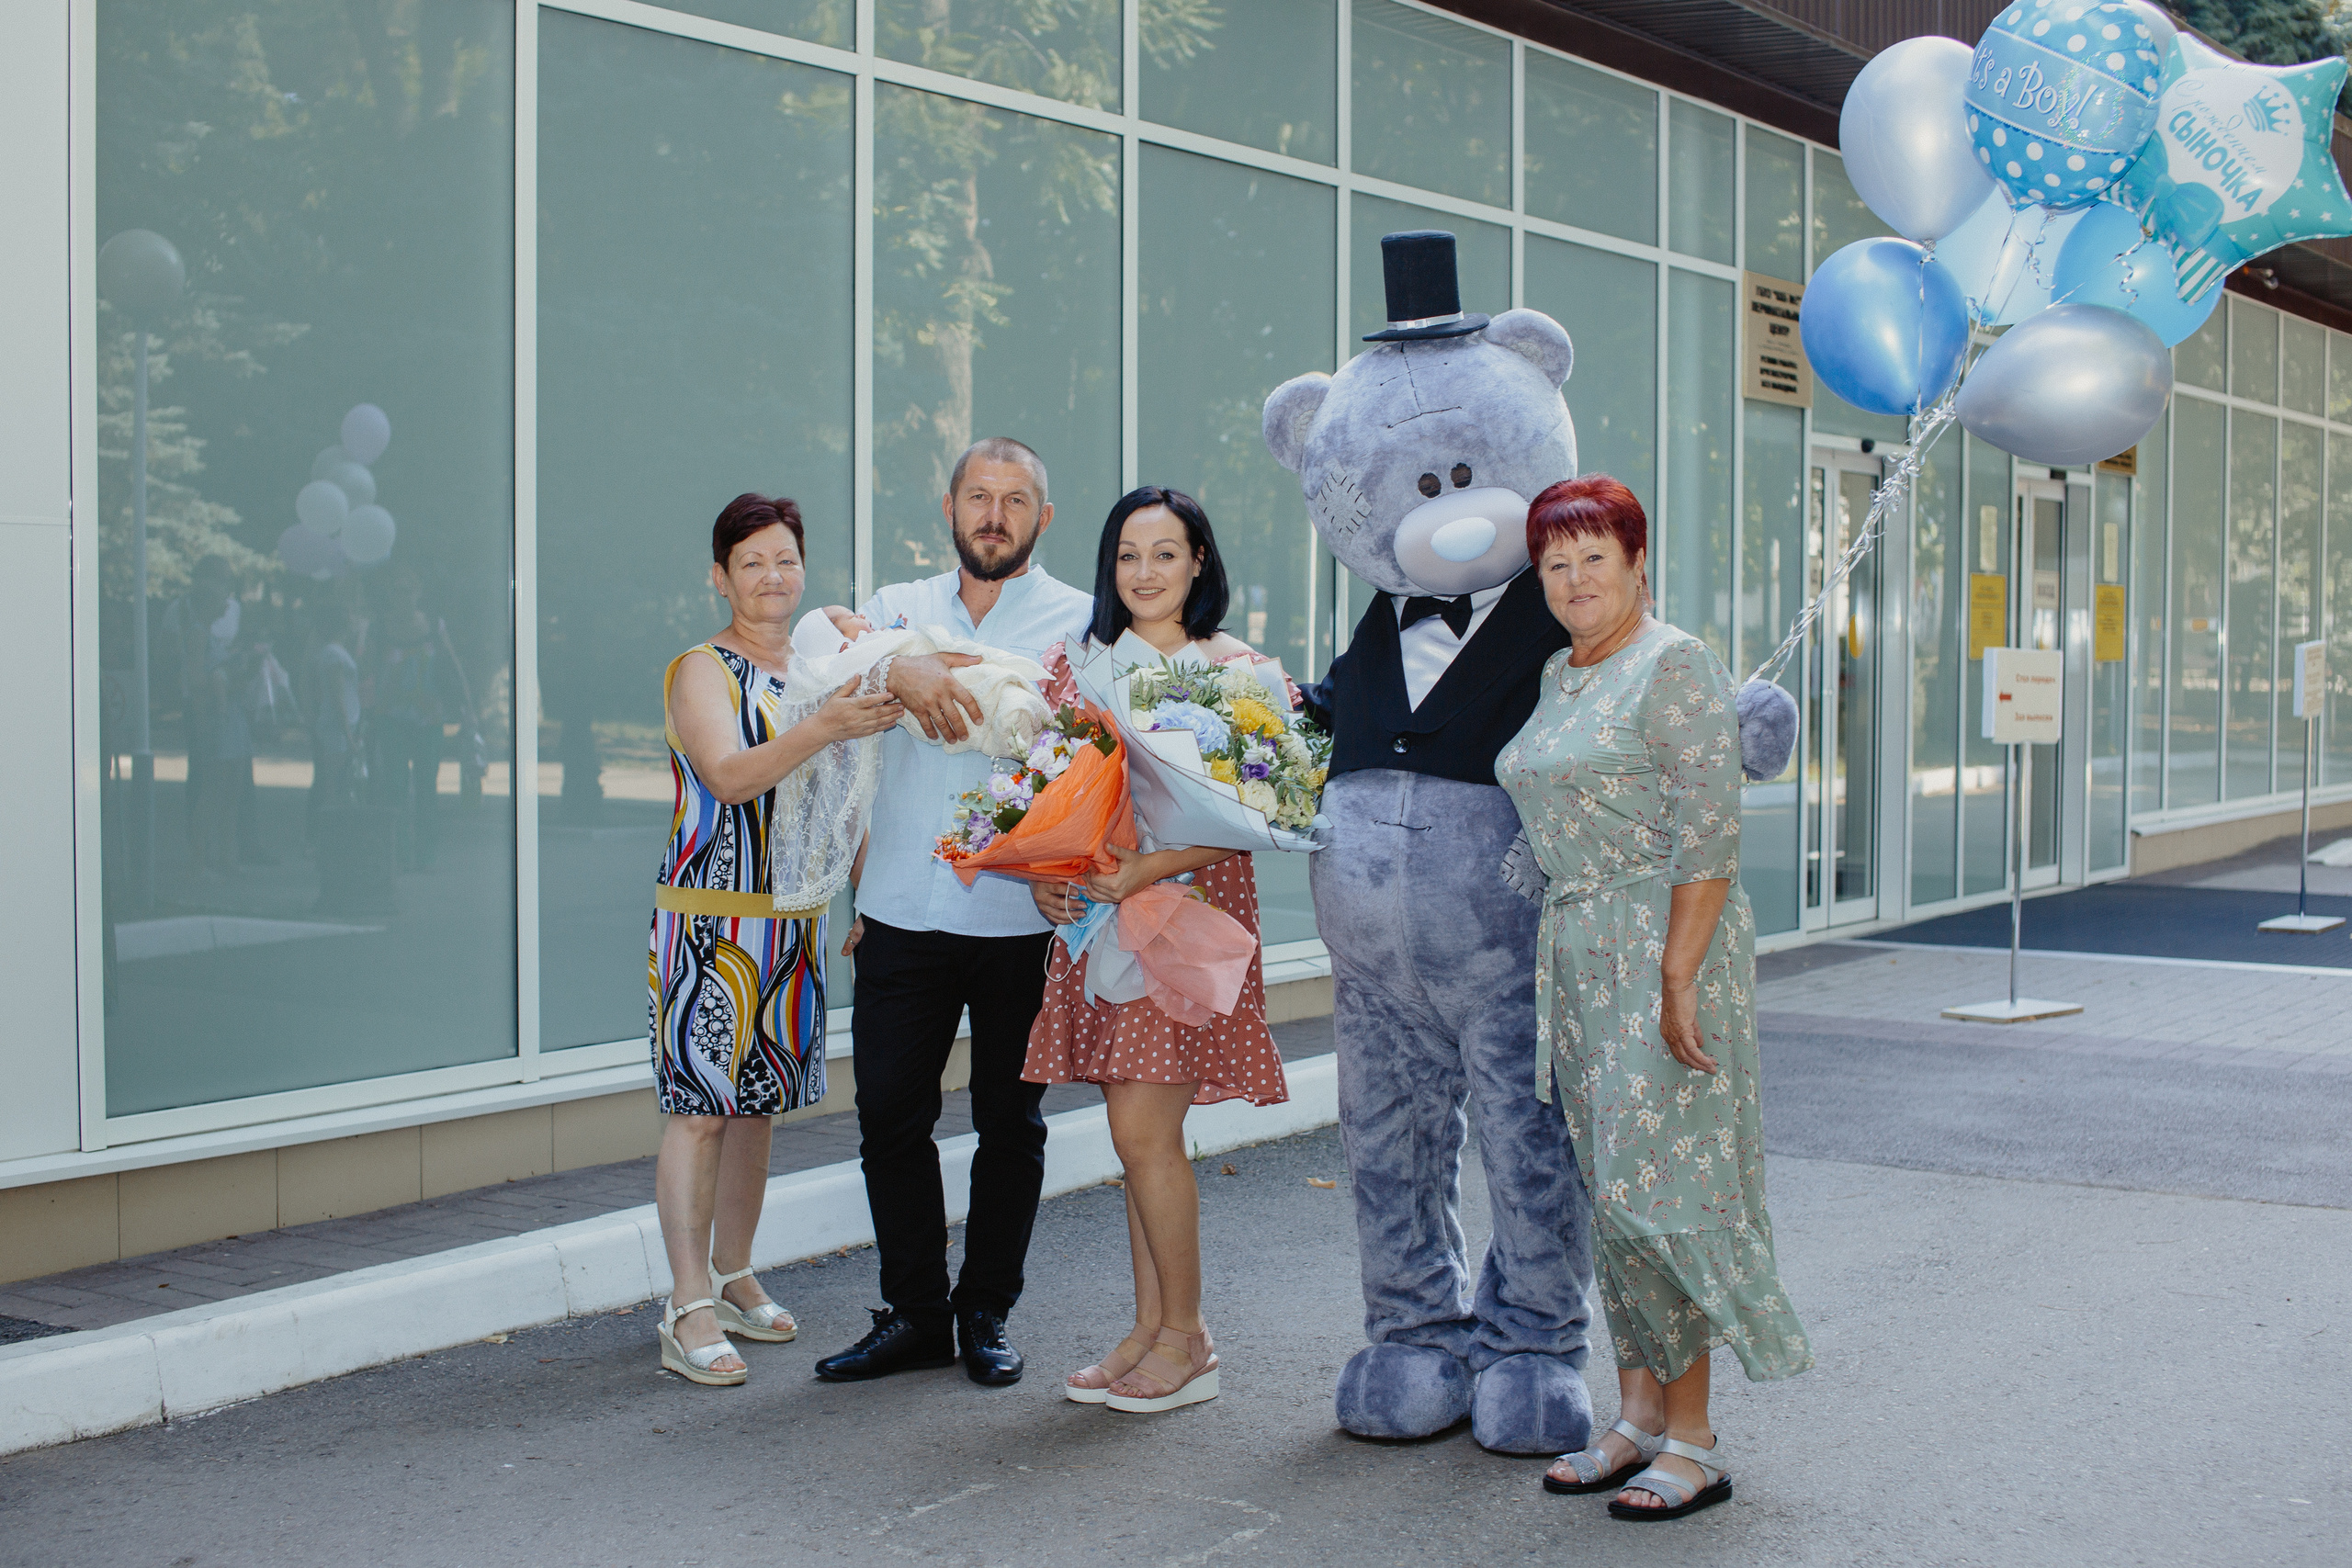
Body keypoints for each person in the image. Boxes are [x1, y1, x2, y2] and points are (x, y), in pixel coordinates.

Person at [1494, 476, 1811, 1521]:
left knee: (1665, 1194)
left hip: (1665, 947)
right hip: (1581, 953)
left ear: (1637, 561)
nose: (1575, 579)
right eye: (1555, 563)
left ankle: (1695, 1438)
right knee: (1612, 1196)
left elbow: (1708, 834)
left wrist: (1675, 979)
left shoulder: (1673, 662)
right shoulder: (1559, 672)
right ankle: (1631, 1419)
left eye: (1594, 556)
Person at [809, 436, 1095, 1388]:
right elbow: (829, 663)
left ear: (1042, 518)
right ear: (949, 507)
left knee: (1009, 1125)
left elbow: (1096, 764)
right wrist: (902, 668)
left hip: (1019, 920)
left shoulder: (1079, 623)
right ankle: (916, 1313)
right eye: (979, 495)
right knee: (890, 1116)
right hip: (897, 909)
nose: (995, 514)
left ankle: (985, 1313)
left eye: (1016, 498)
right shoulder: (897, 609)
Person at [1023, 486, 1291, 1415]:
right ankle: (1149, 1328)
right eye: (1128, 554)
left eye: (1164, 553)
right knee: (1136, 1138)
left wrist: (1148, 870)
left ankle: (1187, 1337)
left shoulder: (1238, 671)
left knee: (1145, 1136)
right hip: (1101, 922)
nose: (1144, 572)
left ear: (1198, 564)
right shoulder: (1082, 667)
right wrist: (1042, 873)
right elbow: (1043, 792)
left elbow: (1262, 813)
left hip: (1186, 921)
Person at [650, 492, 903, 1386]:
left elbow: (846, 796)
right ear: (720, 577)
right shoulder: (701, 671)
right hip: (710, 923)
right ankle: (684, 1305)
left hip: (793, 925)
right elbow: (727, 776)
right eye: (751, 561)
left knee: (754, 1110)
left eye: (785, 559)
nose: (771, 576)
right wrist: (823, 722)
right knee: (699, 1114)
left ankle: (731, 1273)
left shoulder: (816, 663)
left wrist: (865, 899)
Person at [365, 566, 477, 872]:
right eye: (397, 591)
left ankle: (426, 853)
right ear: (390, 595)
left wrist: (468, 710)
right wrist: (365, 711)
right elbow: (368, 670)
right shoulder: (379, 628)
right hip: (390, 718)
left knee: (427, 785)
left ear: (419, 593)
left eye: (408, 590)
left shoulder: (433, 626)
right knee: (395, 786)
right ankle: (399, 853)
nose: (403, 597)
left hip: (430, 718)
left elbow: (453, 668)